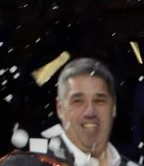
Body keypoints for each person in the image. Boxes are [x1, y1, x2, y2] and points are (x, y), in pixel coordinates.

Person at [7, 58, 136, 166]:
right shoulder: (25, 163)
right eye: (78, 101)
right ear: (60, 109)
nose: (90, 112)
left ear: (113, 108)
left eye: (99, 101)